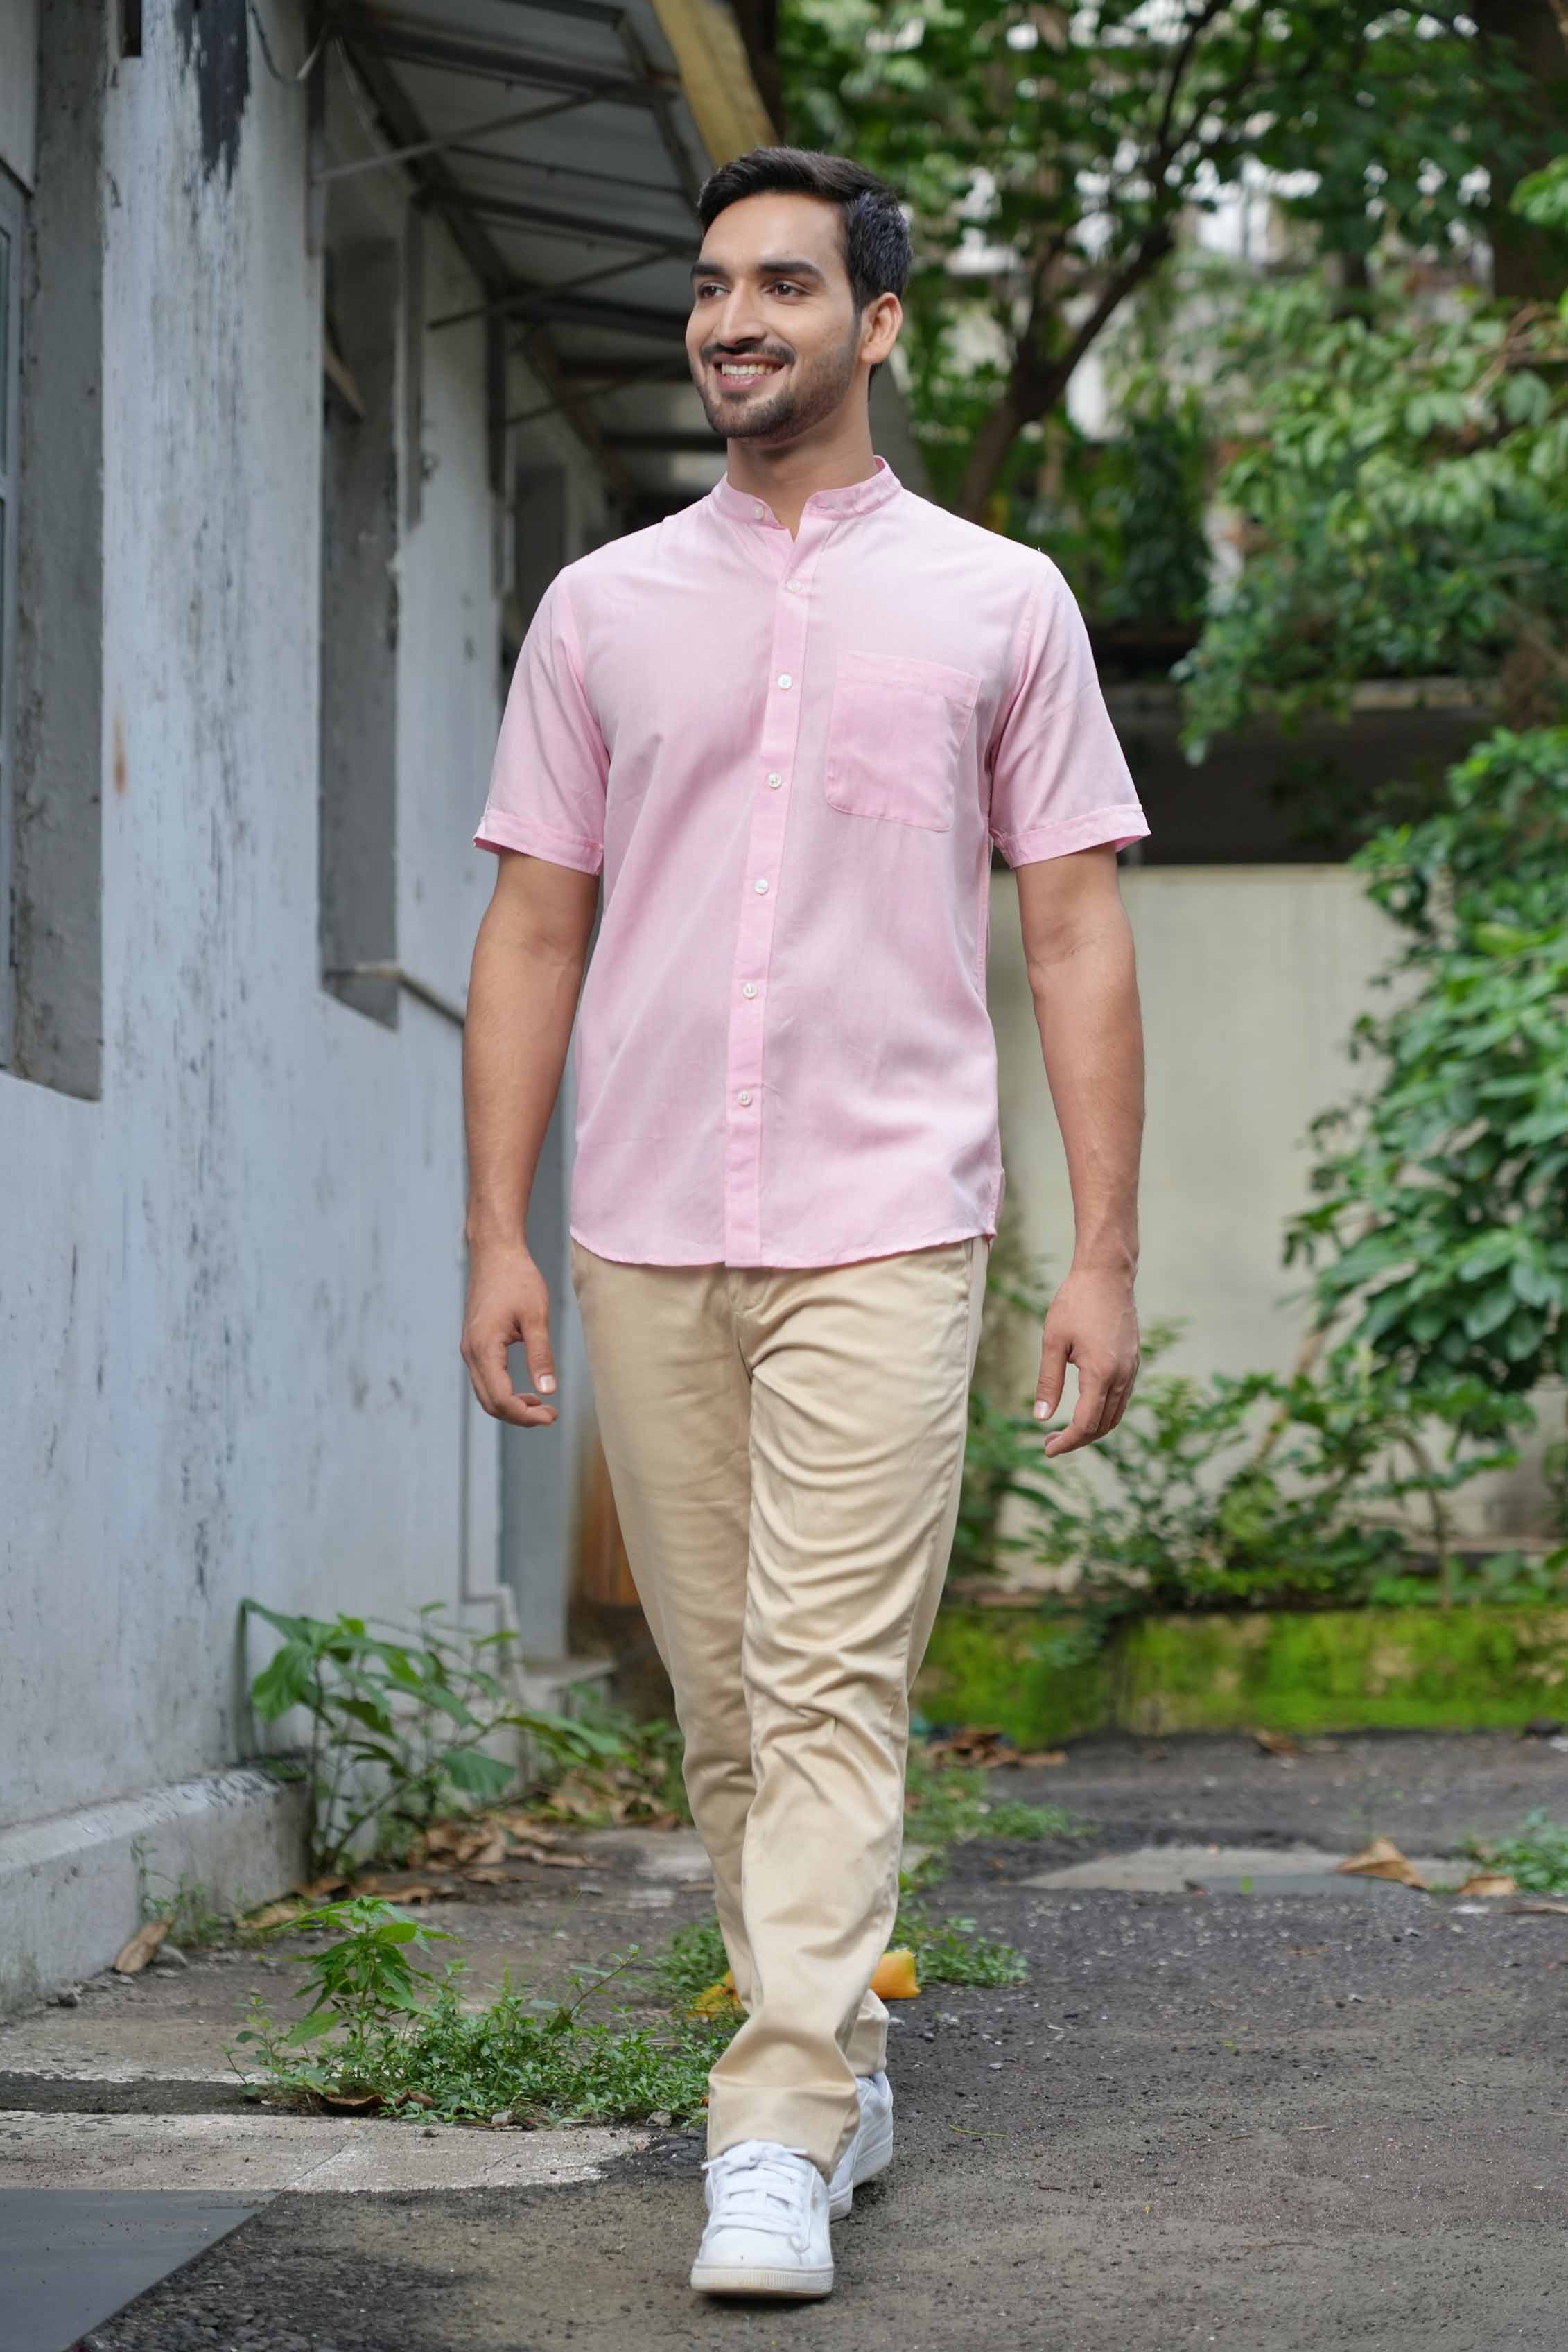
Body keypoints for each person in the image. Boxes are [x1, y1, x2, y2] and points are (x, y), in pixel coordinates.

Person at [460, 145, 1148, 2302]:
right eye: (712, 286)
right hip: (648, 1218)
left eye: (782, 283)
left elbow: (1075, 934)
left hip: (886, 1216)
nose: (733, 320)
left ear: (878, 324)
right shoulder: (602, 610)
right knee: (732, 1709)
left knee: (834, 1678)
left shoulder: (1000, 600)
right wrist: (497, 1230)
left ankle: (767, 2124)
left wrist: (1105, 1252)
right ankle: (842, 2055)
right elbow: (533, 928)